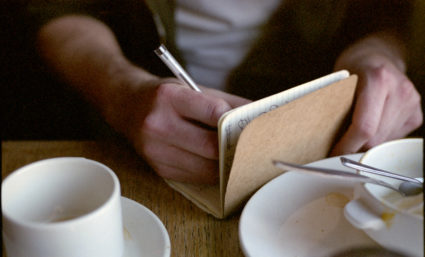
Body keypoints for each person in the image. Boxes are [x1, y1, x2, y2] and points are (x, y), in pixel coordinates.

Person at [30, 0, 422, 184]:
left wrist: (380, 53)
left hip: (332, 157)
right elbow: (55, 8)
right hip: (130, 146)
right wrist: (122, 91)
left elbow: (391, 12)